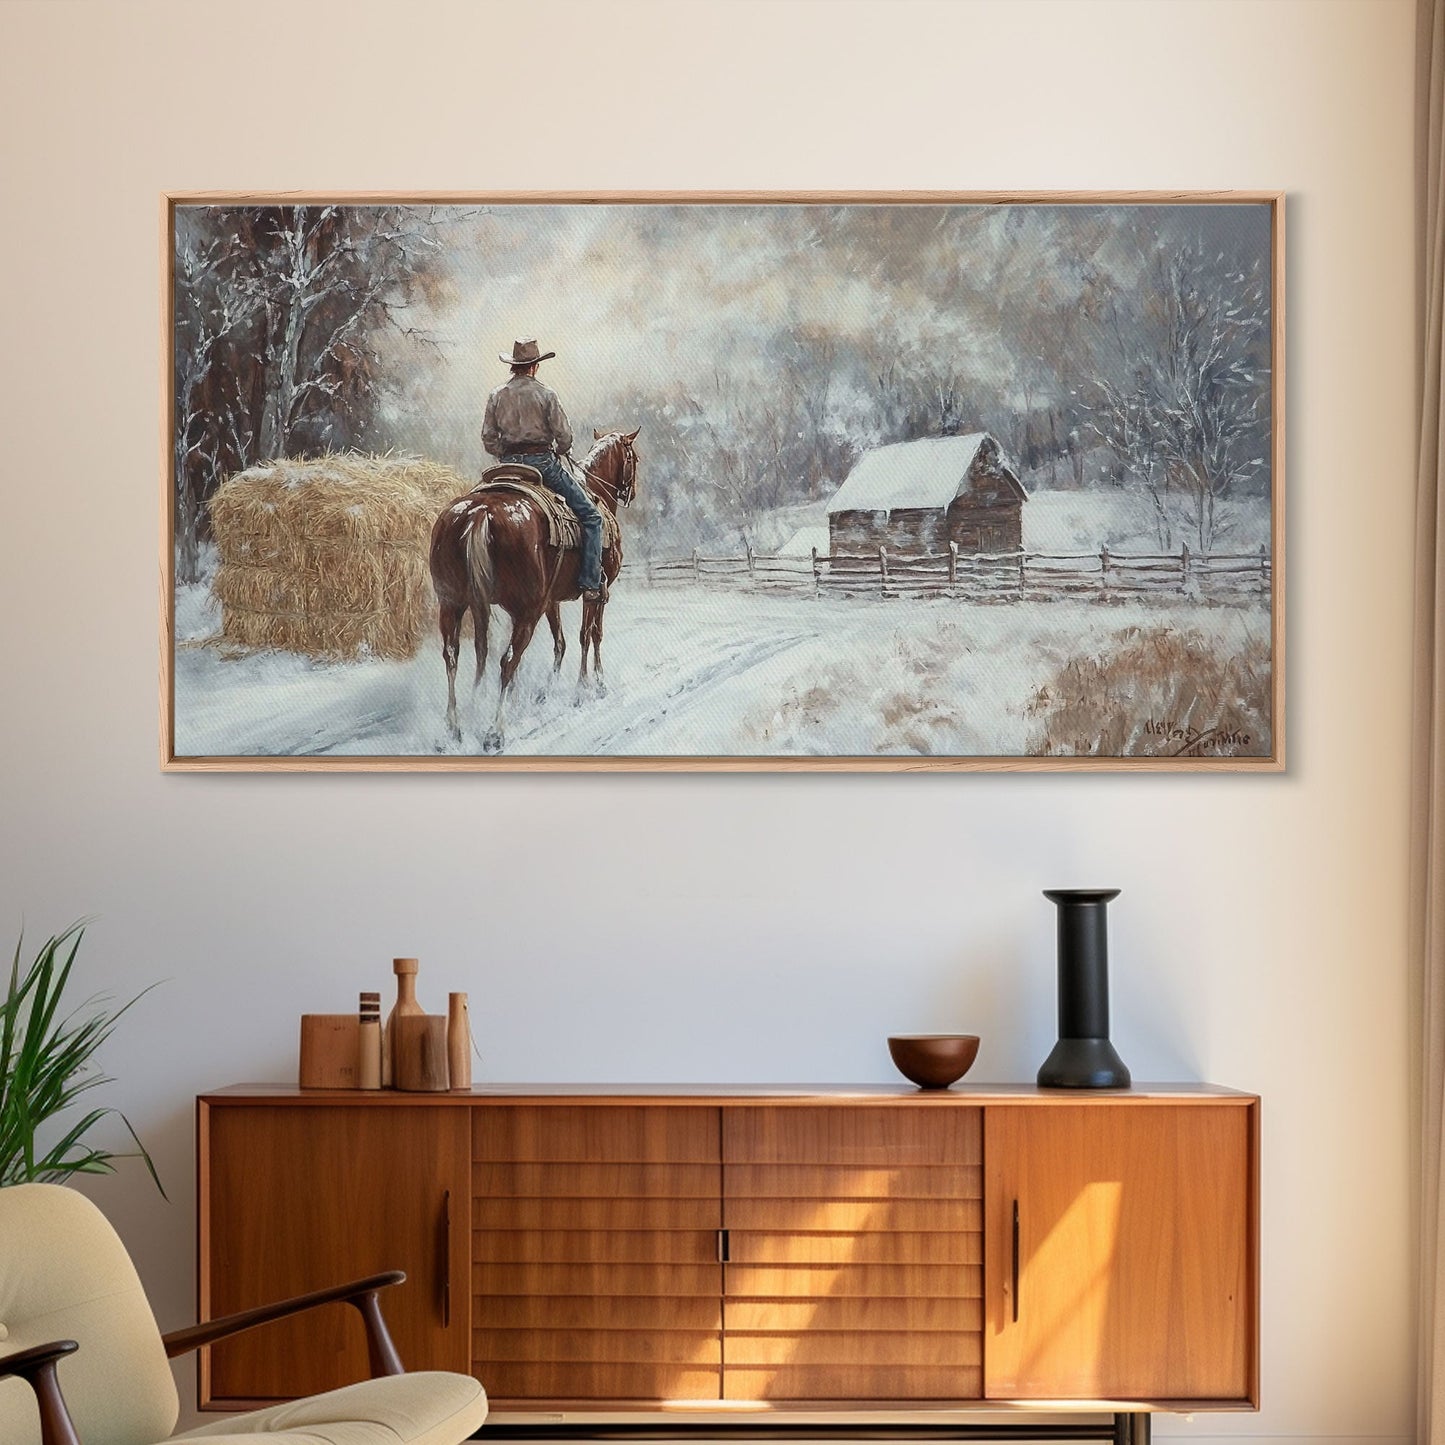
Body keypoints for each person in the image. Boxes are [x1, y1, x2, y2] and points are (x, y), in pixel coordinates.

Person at [482, 338, 606, 601]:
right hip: (542, 465)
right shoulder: (547, 395)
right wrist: (561, 449)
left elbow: (488, 438)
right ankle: (590, 583)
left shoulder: (496, 396)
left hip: (506, 468)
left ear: (514, 366)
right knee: (592, 517)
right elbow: (565, 437)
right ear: (535, 366)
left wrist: (505, 453)